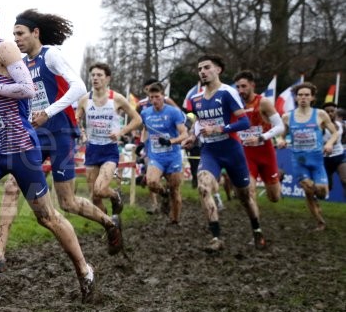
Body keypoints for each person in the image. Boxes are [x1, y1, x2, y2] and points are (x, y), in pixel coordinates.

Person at [0, 0, 95, 302]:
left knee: (48, 217)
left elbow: (27, 89)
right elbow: (5, 99)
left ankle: (84, 269)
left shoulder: (6, 49)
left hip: (22, 150)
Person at [0, 10, 122, 273]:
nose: (16, 39)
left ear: (35, 33)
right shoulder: (22, 63)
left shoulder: (52, 55)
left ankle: (109, 223)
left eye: (20, 34)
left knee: (68, 202)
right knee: (12, 187)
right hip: (35, 134)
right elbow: (18, 96)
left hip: (60, 134)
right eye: (13, 35)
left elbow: (79, 87)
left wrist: (47, 112)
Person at [183, 54, 265, 251]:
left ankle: (257, 230)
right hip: (210, 151)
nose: (202, 71)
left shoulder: (228, 92)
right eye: (200, 68)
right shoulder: (195, 99)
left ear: (218, 69)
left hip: (232, 151)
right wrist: (192, 137)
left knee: (245, 197)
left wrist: (219, 129)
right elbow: (198, 122)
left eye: (206, 67)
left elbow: (244, 122)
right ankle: (216, 238)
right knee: (203, 187)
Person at [77, 62, 142, 216]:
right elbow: (76, 119)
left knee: (100, 189)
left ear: (107, 79)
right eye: (93, 75)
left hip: (109, 150)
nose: (95, 78)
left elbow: (137, 119)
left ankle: (115, 195)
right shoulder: (85, 99)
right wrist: (83, 133)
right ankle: (109, 226)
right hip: (92, 149)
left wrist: (121, 132)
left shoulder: (117, 98)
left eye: (99, 75)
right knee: (94, 197)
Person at [280, 83, 340, 230]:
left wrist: (330, 144)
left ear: (312, 97)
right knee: (308, 189)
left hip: (317, 160)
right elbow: (280, 135)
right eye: (300, 95)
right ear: (296, 98)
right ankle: (320, 222)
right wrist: (281, 140)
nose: (303, 98)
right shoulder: (287, 117)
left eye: (306, 95)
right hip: (299, 160)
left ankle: (316, 200)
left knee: (322, 191)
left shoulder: (320, 114)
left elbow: (336, 133)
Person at [139, 83, 189, 223]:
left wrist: (171, 141)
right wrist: (142, 143)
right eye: (151, 97)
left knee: (175, 191)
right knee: (152, 182)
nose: (154, 100)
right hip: (156, 157)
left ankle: (175, 220)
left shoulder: (173, 112)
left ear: (163, 96)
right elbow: (145, 129)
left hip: (173, 157)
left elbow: (184, 134)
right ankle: (163, 194)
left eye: (157, 97)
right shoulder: (145, 113)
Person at [233, 70, 285, 203]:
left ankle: (278, 177)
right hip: (246, 154)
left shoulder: (263, 102)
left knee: (274, 197)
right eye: (238, 87)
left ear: (252, 85)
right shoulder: (235, 104)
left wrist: (261, 137)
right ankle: (255, 223)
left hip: (265, 152)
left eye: (244, 86)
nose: (240, 90)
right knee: (248, 191)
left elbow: (280, 126)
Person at [321, 102, 345, 193]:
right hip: (325, 159)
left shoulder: (341, 125)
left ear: (336, 112)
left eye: (332, 111)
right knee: (327, 187)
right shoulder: (320, 127)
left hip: (339, 157)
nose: (330, 113)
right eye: (327, 112)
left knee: (345, 180)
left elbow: (343, 138)